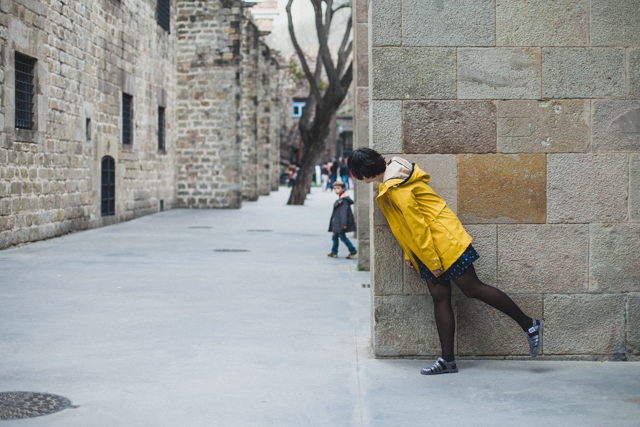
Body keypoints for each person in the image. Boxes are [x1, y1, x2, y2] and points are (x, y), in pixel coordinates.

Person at [347, 148, 543, 375]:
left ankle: (530, 324)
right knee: (440, 297)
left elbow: (418, 226)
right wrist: (412, 256)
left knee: (473, 289)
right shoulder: (393, 179)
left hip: (443, 245)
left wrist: (431, 260)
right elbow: (406, 228)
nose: (357, 178)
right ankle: (447, 360)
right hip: (430, 248)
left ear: (363, 173)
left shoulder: (396, 187)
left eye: (355, 173)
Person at [327, 181, 357, 259]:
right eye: (335, 188)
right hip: (337, 223)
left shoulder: (344, 200)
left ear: (343, 189)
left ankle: (352, 250)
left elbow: (344, 214)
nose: (336, 190)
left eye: (338, 188)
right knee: (335, 237)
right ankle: (334, 252)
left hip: (340, 224)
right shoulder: (341, 199)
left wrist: (344, 224)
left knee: (342, 237)